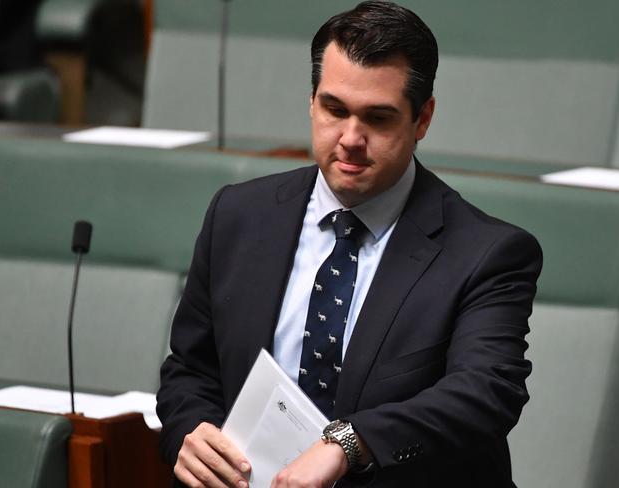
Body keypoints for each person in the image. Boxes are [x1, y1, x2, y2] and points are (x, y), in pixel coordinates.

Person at [156, 2, 543, 487]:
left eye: (378, 119)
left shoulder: (487, 253)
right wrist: (189, 431)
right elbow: (190, 369)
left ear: (422, 120)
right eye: (334, 109)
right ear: (312, 100)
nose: (351, 139)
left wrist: (348, 443)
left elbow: (484, 392)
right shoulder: (238, 215)